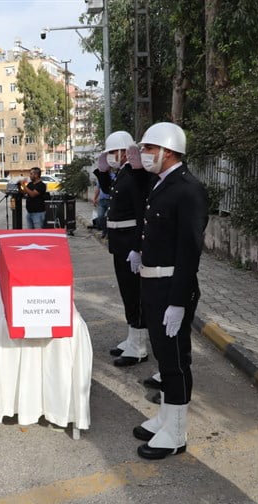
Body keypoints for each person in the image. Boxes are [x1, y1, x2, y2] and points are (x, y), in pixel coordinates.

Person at [131, 122, 208, 461]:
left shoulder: (188, 189)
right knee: (164, 357)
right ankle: (165, 416)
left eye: (149, 149)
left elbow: (189, 251)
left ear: (169, 151)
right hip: (154, 283)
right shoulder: (162, 185)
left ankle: (177, 432)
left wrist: (178, 301)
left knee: (175, 360)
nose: (144, 154)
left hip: (172, 287)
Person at [94, 131, 154, 369]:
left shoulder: (137, 174)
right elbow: (110, 190)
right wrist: (102, 172)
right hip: (120, 244)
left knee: (135, 296)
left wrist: (138, 247)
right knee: (127, 294)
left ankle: (139, 347)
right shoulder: (123, 173)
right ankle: (132, 338)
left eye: (112, 153)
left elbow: (142, 212)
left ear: (123, 152)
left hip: (130, 244)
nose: (109, 157)